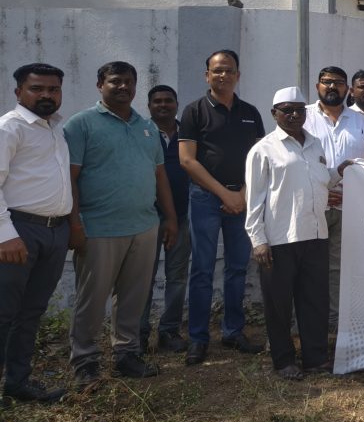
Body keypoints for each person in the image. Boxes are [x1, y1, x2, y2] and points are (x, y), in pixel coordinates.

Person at [65, 61, 177, 388]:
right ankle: (84, 361)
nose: (123, 87)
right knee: (91, 299)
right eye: (115, 81)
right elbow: (69, 178)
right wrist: (74, 225)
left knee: (133, 297)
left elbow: (160, 176)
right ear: (100, 84)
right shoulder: (81, 124)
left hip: (144, 226)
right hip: (98, 228)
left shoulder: (146, 127)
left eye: (129, 81)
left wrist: (170, 218)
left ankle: (127, 353)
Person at [179, 49, 266, 365]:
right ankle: (198, 338)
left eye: (229, 70)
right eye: (217, 70)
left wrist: (242, 193)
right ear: (207, 76)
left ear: (238, 75)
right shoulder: (194, 111)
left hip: (242, 198)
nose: (223, 75)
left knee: (237, 268)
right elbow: (187, 160)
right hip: (205, 198)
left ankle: (233, 331)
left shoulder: (250, 112)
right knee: (202, 269)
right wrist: (223, 195)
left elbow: (259, 159)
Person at [246, 87, 340, 380]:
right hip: (280, 239)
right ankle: (283, 359)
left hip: (315, 234)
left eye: (299, 110)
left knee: (314, 301)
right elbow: (254, 200)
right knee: (279, 304)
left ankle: (315, 358)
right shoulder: (263, 149)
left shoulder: (315, 144)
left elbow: (321, 180)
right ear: (274, 114)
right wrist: (258, 240)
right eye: (287, 110)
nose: (294, 115)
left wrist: (342, 170)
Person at [0, 63, 72, 403]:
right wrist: (5, 234)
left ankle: (17, 382)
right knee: (4, 313)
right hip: (18, 232)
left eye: (53, 89)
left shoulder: (54, 128)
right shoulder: (9, 128)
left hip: (54, 232)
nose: (46, 95)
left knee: (31, 312)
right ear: (19, 92)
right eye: (37, 88)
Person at [304, 66, 364, 330]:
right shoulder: (303, 117)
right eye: (326, 82)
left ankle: (335, 324)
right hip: (313, 206)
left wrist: (355, 195)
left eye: (338, 82)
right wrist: (325, 190)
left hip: (350, 208)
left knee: (339, 268)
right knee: (309, 266)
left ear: (347, 89)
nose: (332, 87)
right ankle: (307, 322)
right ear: (317, 86)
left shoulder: (361, 122)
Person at [139, 85, 192, 354]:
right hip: (147, 218)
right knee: (142, 279)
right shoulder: (140, 132)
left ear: (176, 104)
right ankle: (138, 334)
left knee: (177, 277)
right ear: (149, 106)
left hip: (183, 216)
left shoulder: (188, 134)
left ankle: (169, 331)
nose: (163, 105)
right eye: (157, 101)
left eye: (168, 101)